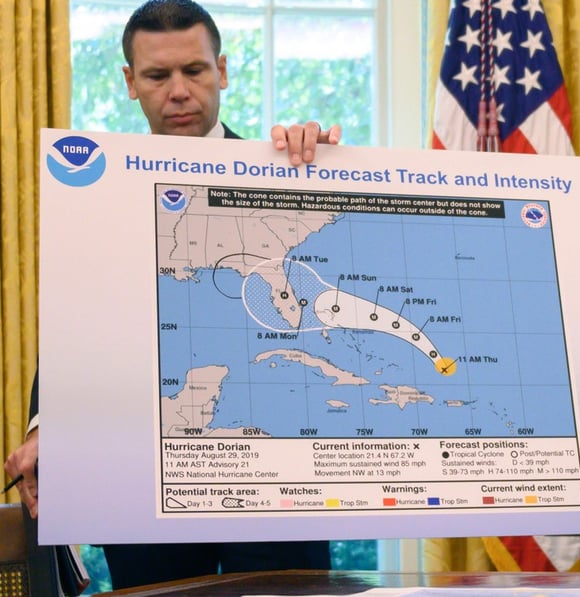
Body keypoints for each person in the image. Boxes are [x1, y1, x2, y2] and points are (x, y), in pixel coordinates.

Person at [4, 0, 342, 588]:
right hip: (145, 473)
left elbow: (341, 278)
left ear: (224, 71)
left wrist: (331, 172)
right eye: (159, 76)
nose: (179, 90)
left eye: (196, 70)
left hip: (280, 469)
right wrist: (44, 424)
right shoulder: (98, 193)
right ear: (131, 83)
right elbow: (79, 326)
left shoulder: (296, 171)